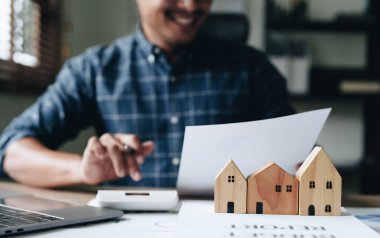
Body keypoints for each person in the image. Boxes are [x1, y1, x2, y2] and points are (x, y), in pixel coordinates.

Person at [0, 0, 294, 188]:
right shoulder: (94, 69)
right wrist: (84, 170)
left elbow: (297, 157)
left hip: (228, 230)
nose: (192, 6)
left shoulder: (252, 69)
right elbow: (11, 152)